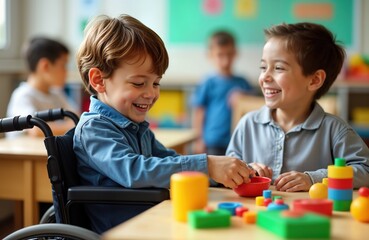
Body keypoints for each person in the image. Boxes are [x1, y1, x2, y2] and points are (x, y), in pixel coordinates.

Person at [74, 14, 255, 233]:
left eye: (156, 83)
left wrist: (228, 173)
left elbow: (169, 160)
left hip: (150, 220)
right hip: (125, 231)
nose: (151, 93)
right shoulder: (94, 129)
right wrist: (207, 165)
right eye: (139, 83)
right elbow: (135, 170)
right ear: (99, 80)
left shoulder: (136, 127)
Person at [226, 22, 369, 192]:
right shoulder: (247, 125)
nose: (265, 76)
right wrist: (246, 170)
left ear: (314, 80)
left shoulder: (335, 130)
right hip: (257, 215)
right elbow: (226, 170)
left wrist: (314, 179)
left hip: (312, 217)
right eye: (263, 67)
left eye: (278, 68)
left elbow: (365, 170)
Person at [192, 30, 254, 155]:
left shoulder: (243, 83)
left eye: (229, 54)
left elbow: (254, 108)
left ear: (235, 53)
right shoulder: (208, 82)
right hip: (213, 141)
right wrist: (199, 140)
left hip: (237, 141)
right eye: (220, 55)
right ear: (210, 55)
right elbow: (199, 111)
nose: (225, 60)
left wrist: (244, 97)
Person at [6, 37, 78, 138]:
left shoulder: (56, 93)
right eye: (63, 65)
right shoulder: (23, 95)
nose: (66, 72)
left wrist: (74, 124)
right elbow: (36, 130)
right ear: (45, 66)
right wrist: (74, 126)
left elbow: (75, 116)